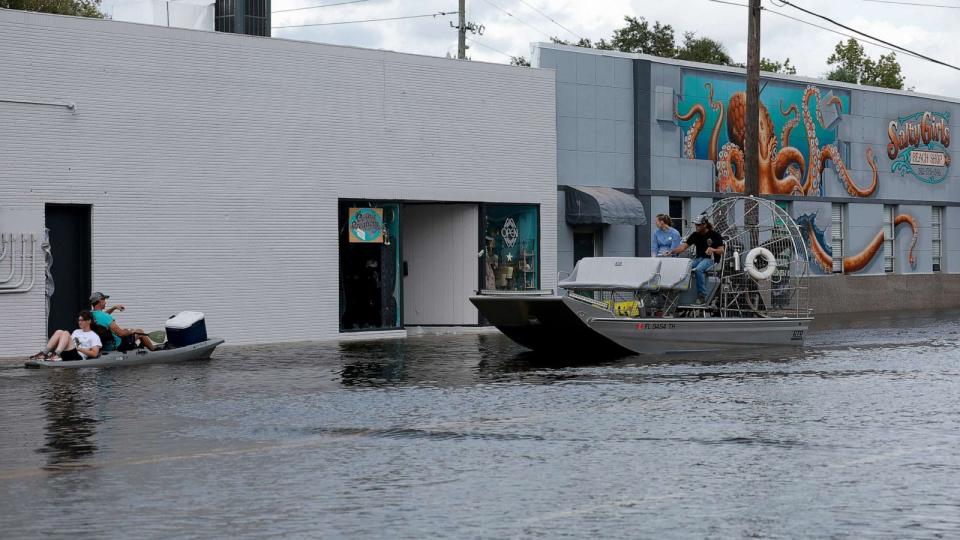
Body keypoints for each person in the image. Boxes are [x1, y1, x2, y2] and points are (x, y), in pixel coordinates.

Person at [671, 214, 725, 304]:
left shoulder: (715, 235)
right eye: (696, 224)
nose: (697, 226)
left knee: (699, 269)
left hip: (711, 260)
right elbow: (684, 246)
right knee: (684, 266)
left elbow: (721, 250)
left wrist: (713, 249)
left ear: (705, 224)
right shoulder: (695, 235)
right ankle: (678, 288)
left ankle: (702, 295)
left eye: (699, 225)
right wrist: (672, 251)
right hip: (698, 258)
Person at [89, 291, 156, 351]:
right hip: (117, 345)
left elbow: (103, 315)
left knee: (129, 331)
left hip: (104, 345)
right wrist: (130, 331)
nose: (105, 302)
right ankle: (153, 351)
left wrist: (114, 308)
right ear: (100, 301)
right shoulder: (106, 317)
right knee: (139, 332)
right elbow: (121, 333)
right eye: (104, 300)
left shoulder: (91, 315)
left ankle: (142, 347)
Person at [29, 310, 102, 361]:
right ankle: (44, 353)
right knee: (59, 331)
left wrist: (80, 349)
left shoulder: (94, 336)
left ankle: (56, 355)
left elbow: (95, 354)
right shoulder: (76, 331)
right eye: (79, 320)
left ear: (89, 321)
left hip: (78, 356)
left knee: (66, 333)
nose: (79, 322)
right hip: (69, 352)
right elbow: (71, 343)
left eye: (82, 320)